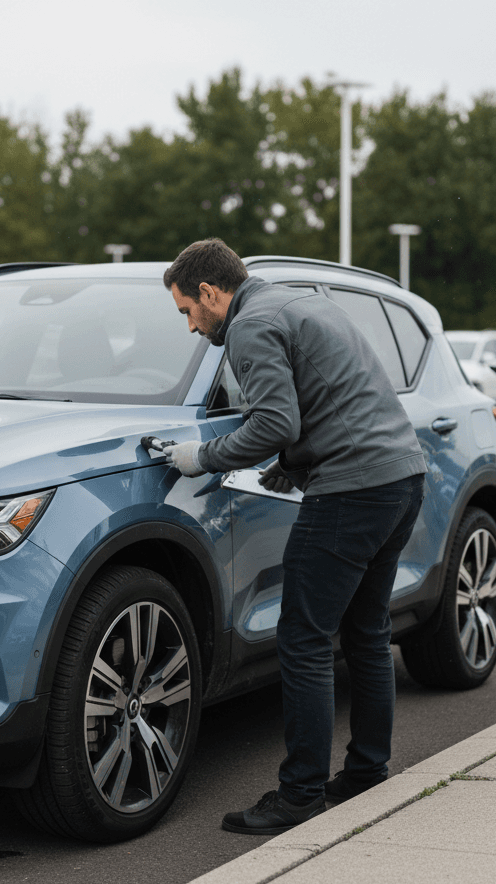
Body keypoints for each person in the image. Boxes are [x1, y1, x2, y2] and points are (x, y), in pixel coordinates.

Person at [162, 238, 427, 835]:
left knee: (303, 637)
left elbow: (275, 420)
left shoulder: (251, 325)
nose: (190, 326)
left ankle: (300, 796)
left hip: (352, 490)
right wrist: (295, 461)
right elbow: (328, 399)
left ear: (209, 292)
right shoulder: (293, 303)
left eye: (186, 311)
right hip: (400, 480)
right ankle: (365, 774)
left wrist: (201, 456)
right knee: (366, 632)